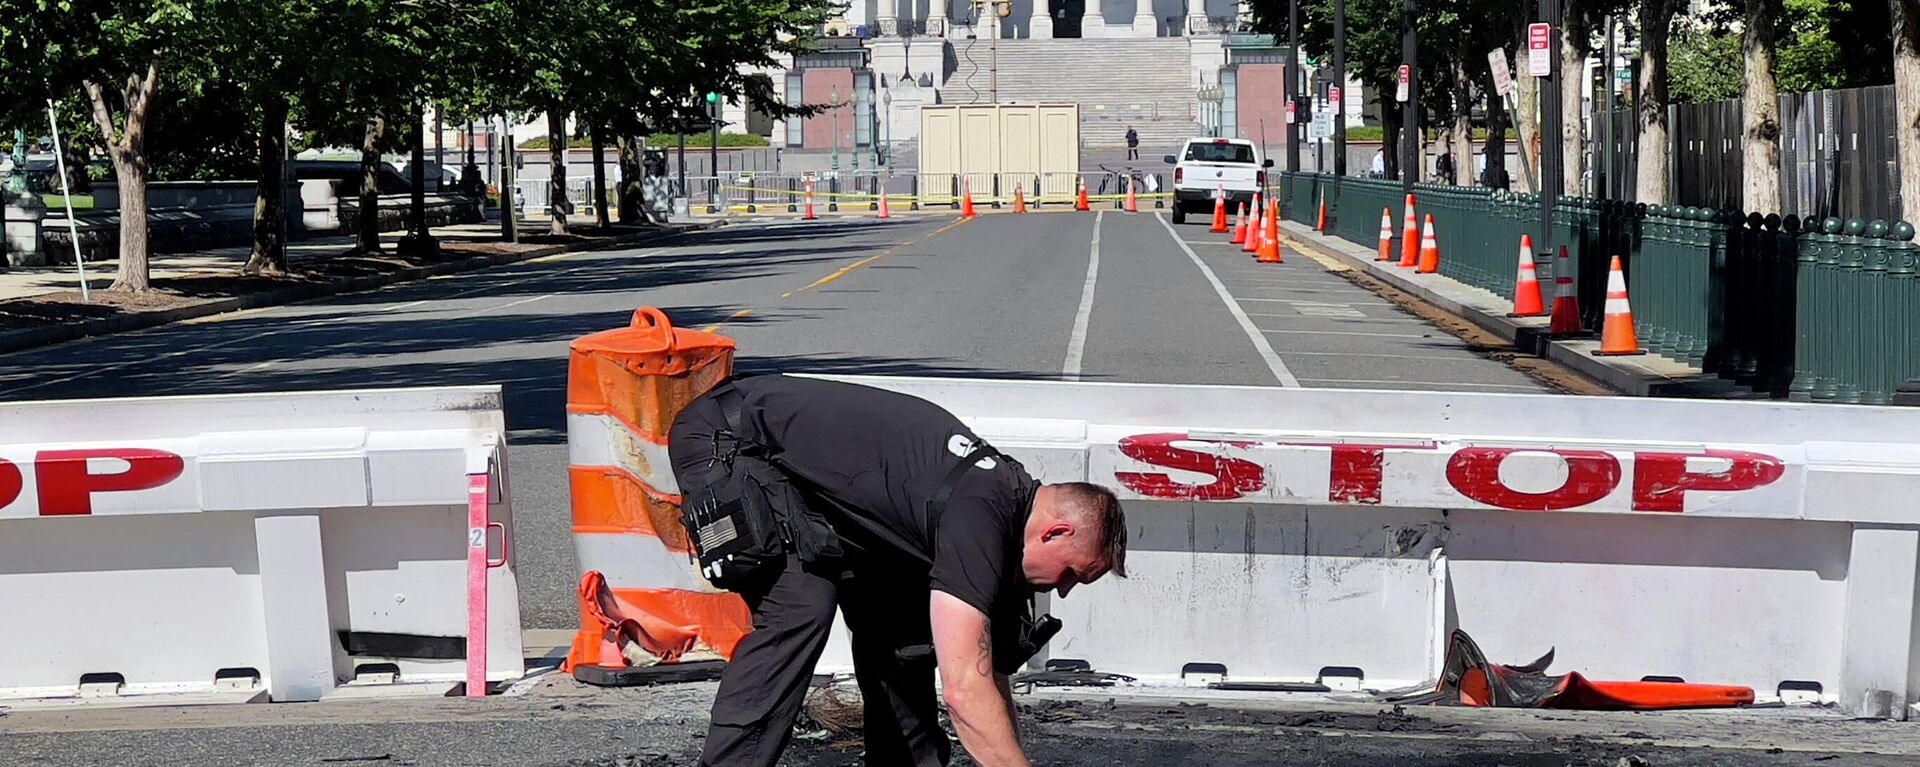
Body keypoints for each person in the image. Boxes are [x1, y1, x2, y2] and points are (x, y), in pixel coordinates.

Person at [668, 374, 1129, 767]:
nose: (1064, 590)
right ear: (1057, 532)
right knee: (801, 605)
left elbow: (987, 674)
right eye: (1073, 573)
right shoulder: (981, 514)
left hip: (804, 476)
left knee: (903, 631)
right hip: (728, 439)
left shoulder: (1007, 506)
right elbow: (964, 689)